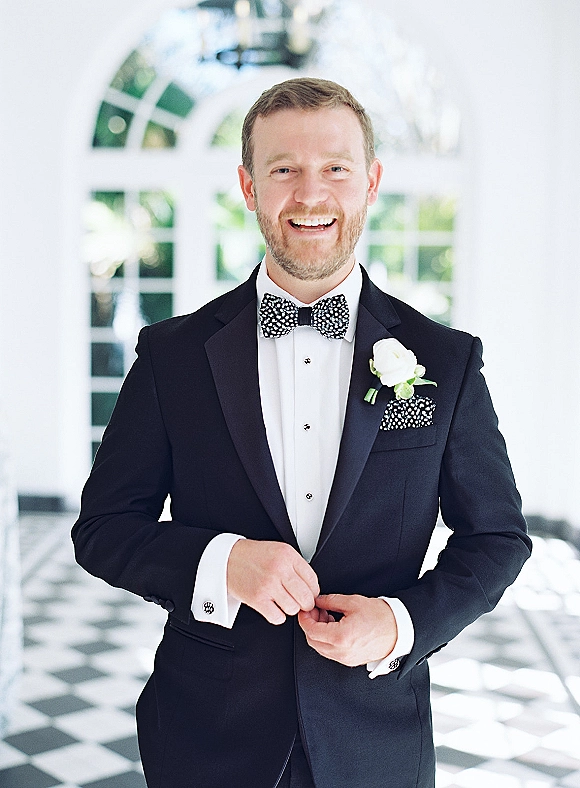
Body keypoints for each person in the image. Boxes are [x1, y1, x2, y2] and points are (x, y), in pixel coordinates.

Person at [72, 77, 531, 788]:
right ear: (249, 187)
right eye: (284, 169)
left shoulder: (447, 361)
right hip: (205, 738)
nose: (310, 195)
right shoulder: (171, 357)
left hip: (375, 741)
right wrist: (220, 564)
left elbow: (497, 538)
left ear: (370, 182)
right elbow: (102, 528)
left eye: (335, 169)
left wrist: (401, 624)